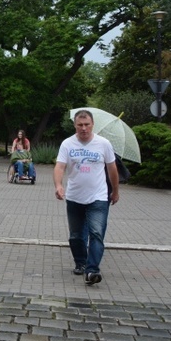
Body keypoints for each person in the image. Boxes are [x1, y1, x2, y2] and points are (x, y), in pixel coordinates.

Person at [54, 109, 120, 286]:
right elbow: (60, 167)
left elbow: (112, 169)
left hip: (98, 197)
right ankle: (81, 262)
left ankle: (92, 270)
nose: (83, 128)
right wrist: (59, 185)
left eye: (87, 125)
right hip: (74, 197)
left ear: (92, 125)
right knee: (76, 236)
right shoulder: (67, 144)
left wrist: (115, 190)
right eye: (80, 125)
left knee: (96, 233)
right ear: (75, 126)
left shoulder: (103, 144)